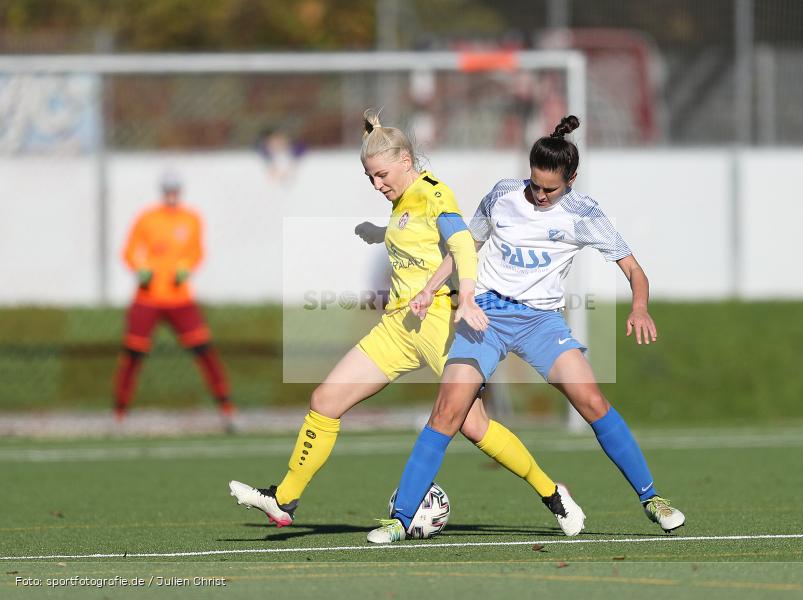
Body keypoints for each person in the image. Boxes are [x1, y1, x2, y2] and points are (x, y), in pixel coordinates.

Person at [228, 109, 585, 535]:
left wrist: (466, 295)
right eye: (370, 179)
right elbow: (416, 238)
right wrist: (381, 232)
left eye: (381, 175)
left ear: (405, 162)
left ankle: (552, 494)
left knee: (474, 426)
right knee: (325, 401)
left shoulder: (435, 194)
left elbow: (461, 245)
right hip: (398, 327)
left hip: (439, 325)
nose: (378, 185)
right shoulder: (402, 201)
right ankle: (284, 499)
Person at [368, 115, 686, 544]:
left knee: (591, 400)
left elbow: (633, 268)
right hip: (487, 316)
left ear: (571, 179)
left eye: (549, 189)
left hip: (540, 322)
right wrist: (430, 290)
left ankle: (653, 499)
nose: (538, 195)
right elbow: (466, 245)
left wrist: (641, 307)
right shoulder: (502, 195)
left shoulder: (584, 213)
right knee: (448, 410)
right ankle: (399, 519)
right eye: (534, 185)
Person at [114, 170, 234, 427]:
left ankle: (227, 409)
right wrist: (140, 268)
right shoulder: (147, 218)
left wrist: (186, 268)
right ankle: (120, 414)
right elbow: (130, 250)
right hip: (148, 296)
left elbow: (197, 252)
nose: (171, 194)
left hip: (180, 298)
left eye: (175, 190)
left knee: (204, 350)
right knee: (133, 354)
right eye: (168, 189)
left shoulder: (192, 219)